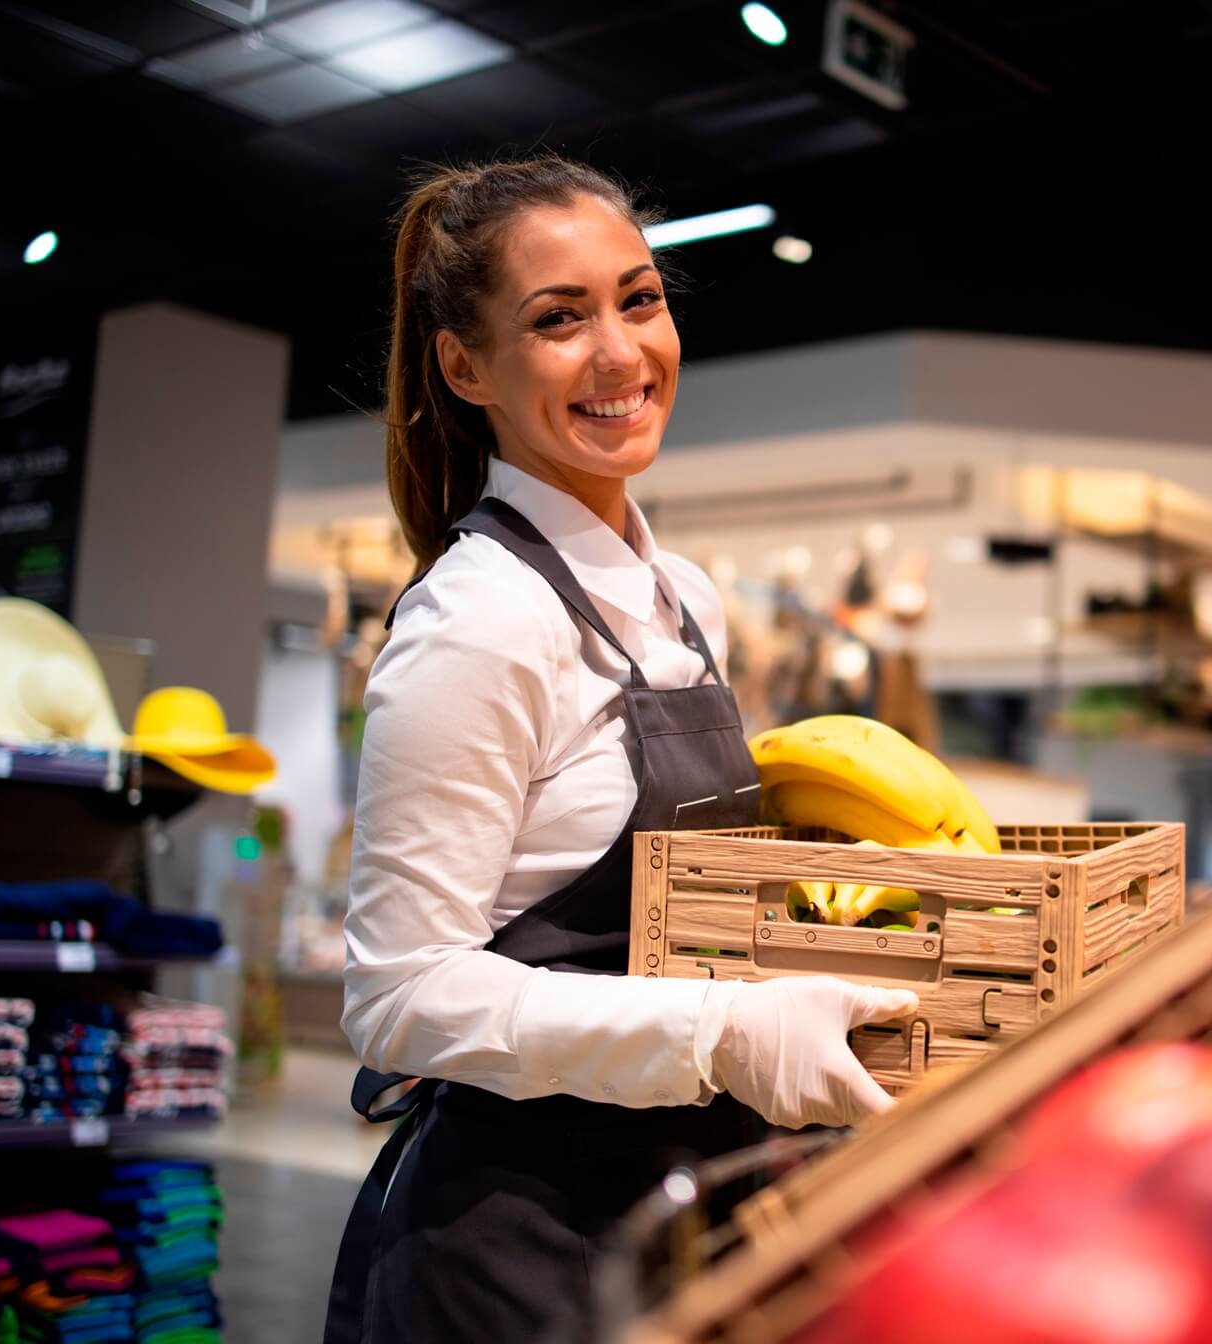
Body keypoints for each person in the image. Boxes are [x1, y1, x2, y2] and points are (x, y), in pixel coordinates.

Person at [323, 156, 917, 1344]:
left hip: (677, 1211)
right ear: (464, 365)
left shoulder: (684, 597)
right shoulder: (479, 620)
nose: (619, 353)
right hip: (513, 1250)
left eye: (637, 300)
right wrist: (722, 1035)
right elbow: (398, 996)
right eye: (558, 319)